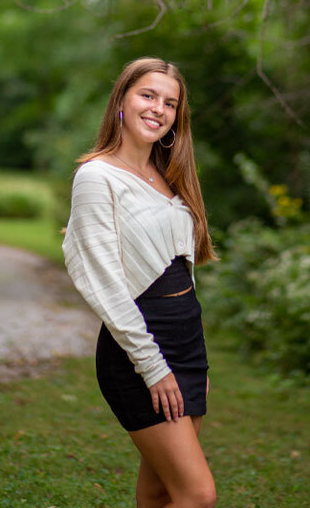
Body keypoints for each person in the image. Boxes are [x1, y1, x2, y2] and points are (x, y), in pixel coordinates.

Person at [63, 57, 219, 508]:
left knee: (159, 492)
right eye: (148, 95)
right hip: (138, 351)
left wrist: (196, 360)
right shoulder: (97, 177)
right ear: (122, 102)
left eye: (170, 103)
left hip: (187, 348)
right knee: (197, 494)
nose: (158, 109)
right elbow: (105, 285)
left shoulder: (170, 178)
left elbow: (183, 276)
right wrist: (154, 367)